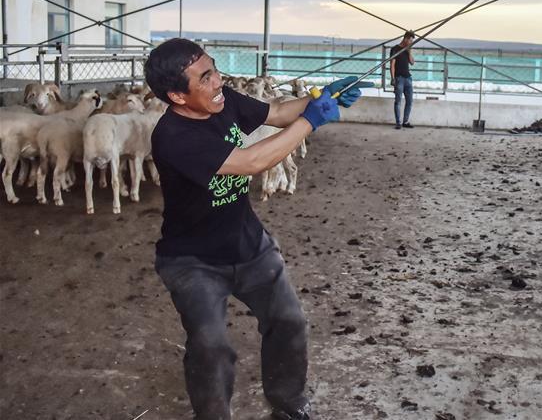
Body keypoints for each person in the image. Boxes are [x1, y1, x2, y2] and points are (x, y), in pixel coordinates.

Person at [144, 38, 371, 420]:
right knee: (211, 346)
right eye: (205, 78)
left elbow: (278, 112)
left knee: (289, 322)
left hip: (249, 244)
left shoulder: (224, 101)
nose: (218, 81)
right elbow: (252, 161)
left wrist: (321, 97)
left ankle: (288, 403)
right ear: (177, 96)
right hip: (192, 261)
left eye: (215, 70)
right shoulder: (173, 137)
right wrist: (311, 121)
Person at [390, 30, 416, 129]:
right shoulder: (395, 49)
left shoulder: (407, 49)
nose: (411, 42)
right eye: (410, 40)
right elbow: (392, 65)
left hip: (408, 78)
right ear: (405, 39)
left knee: (409, 101)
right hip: (399, 78)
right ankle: (398, 123)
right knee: (398, 101)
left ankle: (405, 121)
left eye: (412, 41)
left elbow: (412, 63)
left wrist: (409, 51)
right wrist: (393, 78)